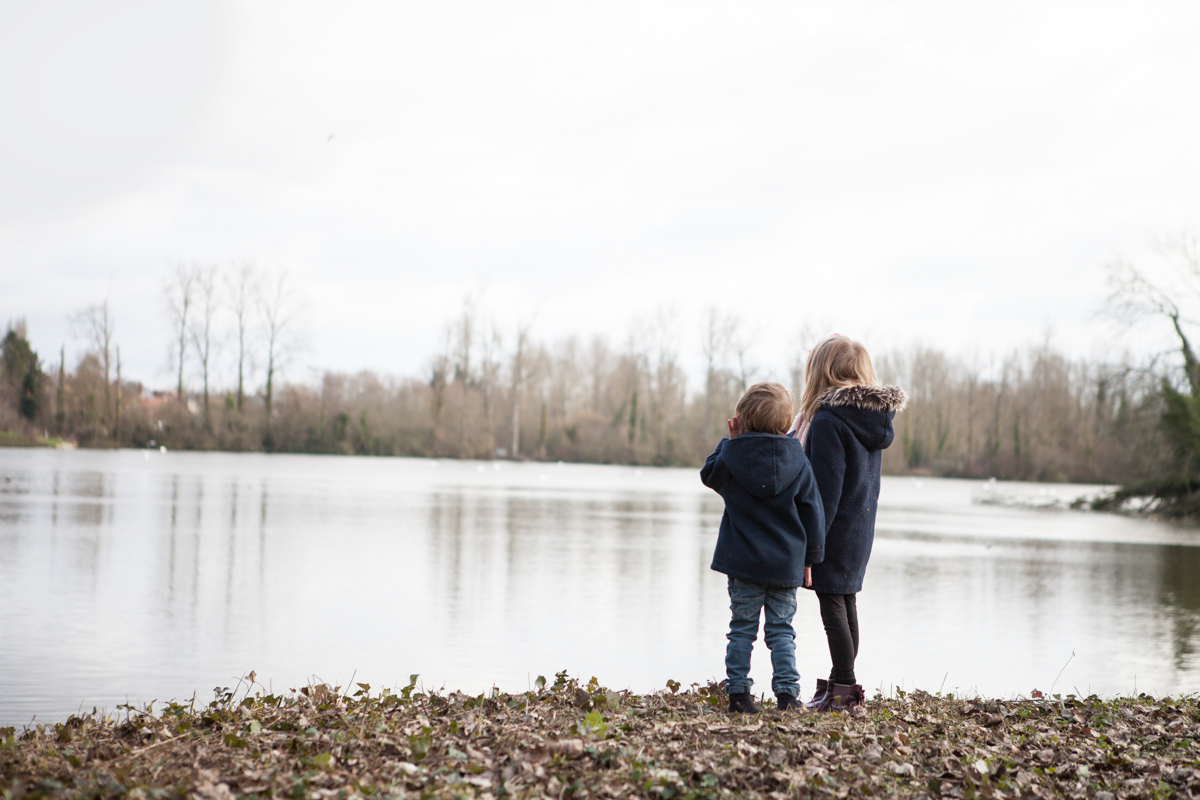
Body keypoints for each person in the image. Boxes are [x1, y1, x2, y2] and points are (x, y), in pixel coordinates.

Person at [789, 335, 906, 712]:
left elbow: (825, 492)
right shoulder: (871, 420)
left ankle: (845, 687)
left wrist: (811, 547)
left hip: (834, 529)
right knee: (846, 602)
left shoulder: (828, 422)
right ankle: (840, 684)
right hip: (859, 529)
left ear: (822, 373)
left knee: (832, 608)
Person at [701, 382, 826, 714]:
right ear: (786, 425)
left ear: (739, 421)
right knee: (782, 631)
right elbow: (813, 511)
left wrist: (730, 439)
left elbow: (708, 474)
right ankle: (787, 696)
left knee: (742, 630)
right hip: (786, 565)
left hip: (743, 565)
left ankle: (739, 696)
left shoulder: (731, 454)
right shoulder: (797, 458)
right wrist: (811, 559)